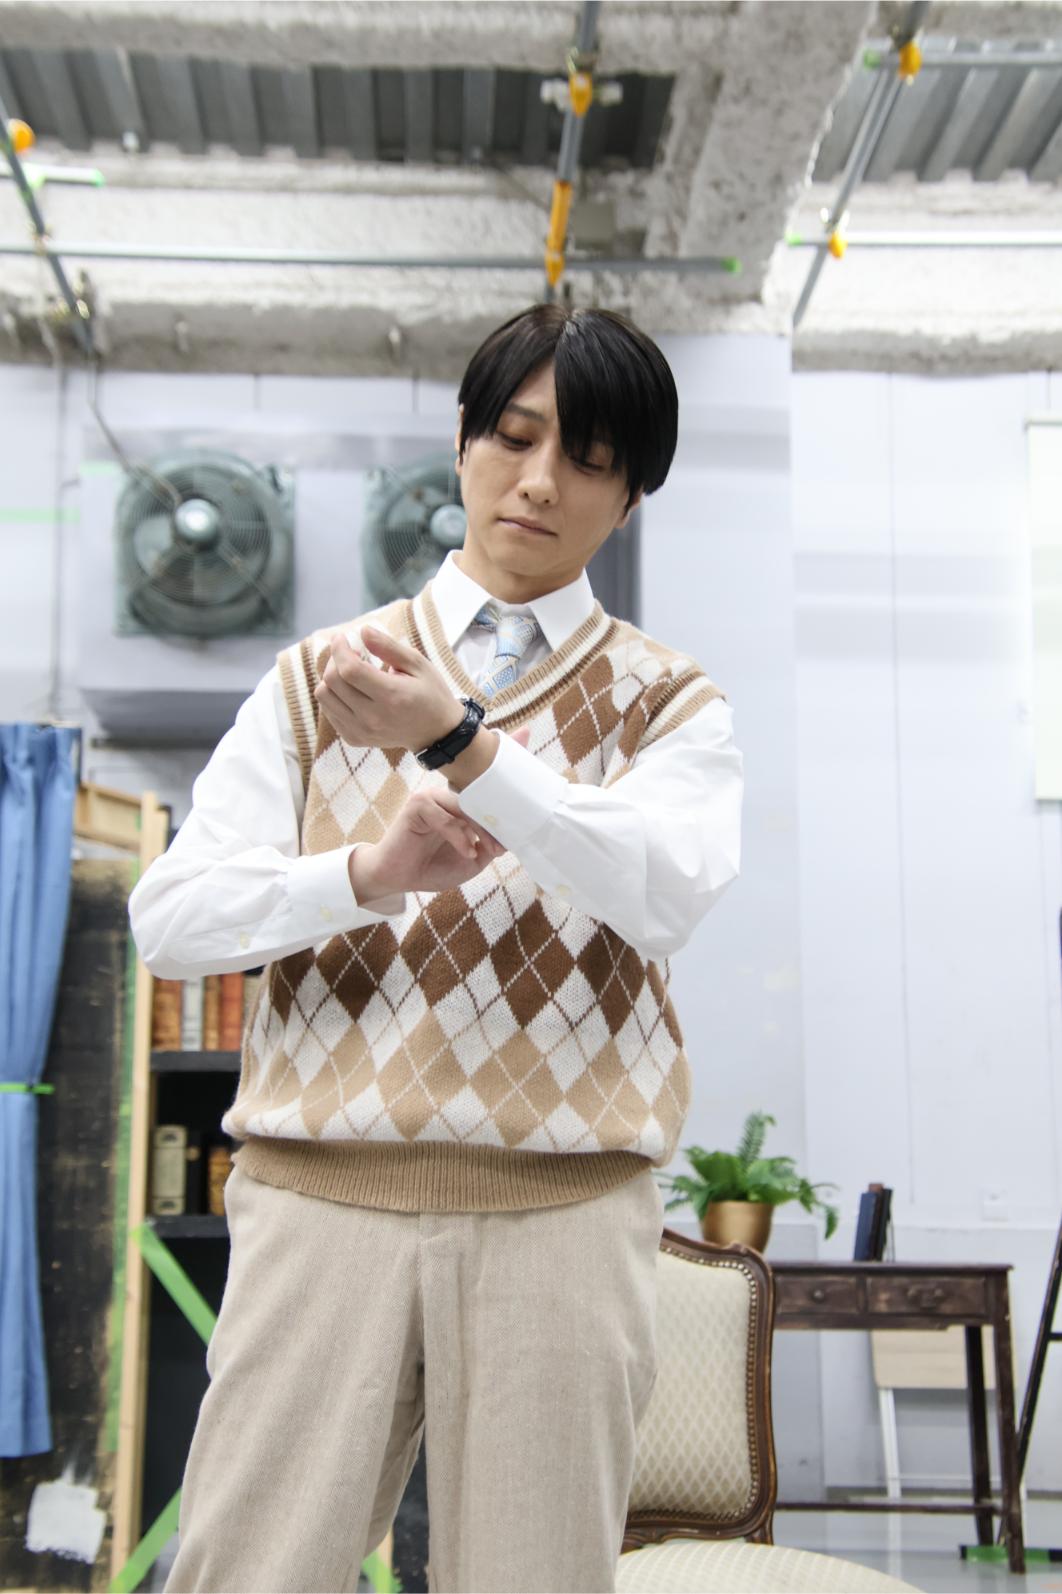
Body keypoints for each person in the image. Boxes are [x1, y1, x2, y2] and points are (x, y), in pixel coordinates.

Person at [129, 302, 743, 1594]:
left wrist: (459, 742)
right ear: (462, 442)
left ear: (631, 495)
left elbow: (666, 893)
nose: (540, 481)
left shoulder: (669, 700)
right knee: (246, 1571)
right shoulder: (317, 677)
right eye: (513, 436)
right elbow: (170, 922)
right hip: (317, 1203)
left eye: (587, 457)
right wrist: (367, 875)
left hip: (564, 1220)